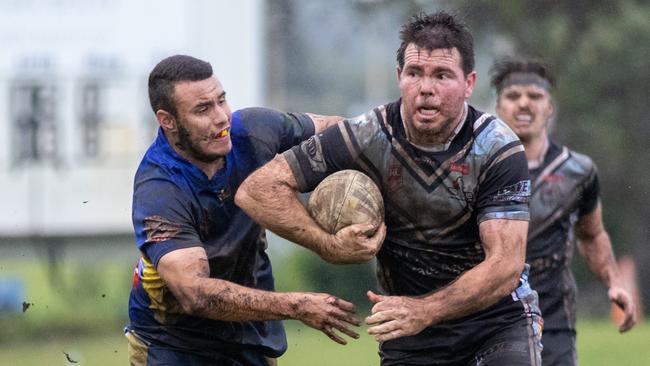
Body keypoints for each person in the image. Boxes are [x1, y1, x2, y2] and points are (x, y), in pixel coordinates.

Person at [236, 12, 543, 365]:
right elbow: (258, 190)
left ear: (469, 83)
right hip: (409, 332)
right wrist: (326, 244)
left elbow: (505, 265)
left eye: (442, 75)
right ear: (400, 77)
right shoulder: (369, 135)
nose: (426, 88)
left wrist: (425, 310)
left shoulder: (496, 149)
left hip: (497, 322)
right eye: (415, 74)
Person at [125, 55, 384, 366]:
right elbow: (195, 293)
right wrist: (296, 305)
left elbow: (336, 131)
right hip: (172, 344)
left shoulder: (252, 130)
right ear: (167, 120)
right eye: (203, 110)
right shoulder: (159, 190)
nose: (221, 117)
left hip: (248, 339)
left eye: (221, 100)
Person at [490, 57, 637, 365]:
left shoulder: (578, 171)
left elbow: (592, 234)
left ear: (549, 107)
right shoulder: (479, 169)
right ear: (498, 106)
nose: (524, 104)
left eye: (535, 96)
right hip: (491, 321)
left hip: (555, 321)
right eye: (513, 96)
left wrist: (614, 282)